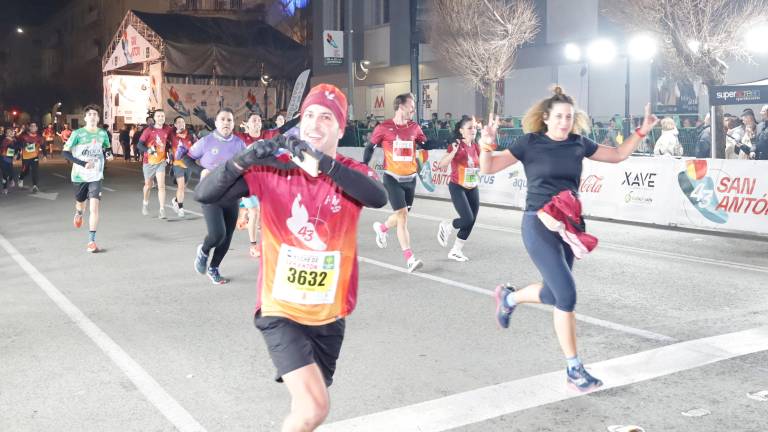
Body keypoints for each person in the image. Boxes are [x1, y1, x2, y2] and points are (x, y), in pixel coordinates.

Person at [195, 83, 387, 432]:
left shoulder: (348, 173)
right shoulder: (273, 169)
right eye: (309, 115)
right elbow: (205, 194)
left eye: (327, 117)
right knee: (315, 407)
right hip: (280, 310)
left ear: (341, 128)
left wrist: (323, 165)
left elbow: (377, 197)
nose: (315, 123)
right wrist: (244, 159)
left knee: (305, 410)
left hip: (330, 313)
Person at [479, 86, 658, 393]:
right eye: (559, 116)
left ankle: (508, 298)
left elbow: (616, 155)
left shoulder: (578, 143)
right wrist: (485, 144)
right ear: (546, 118)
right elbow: (489, 167)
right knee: (567, 295)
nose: (564, 122)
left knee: (553, 295)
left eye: (569, 117)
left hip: (569, 225)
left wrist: (642, 130)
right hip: (537, 223)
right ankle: (574, 369)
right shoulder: (529, 143)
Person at [364, 93, 428, 272]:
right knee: (403, 217)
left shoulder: (415, 127)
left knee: (403, 213)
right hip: (392, 178)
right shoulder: (384, 127)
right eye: (411, 106)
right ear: (401, 106)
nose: (414, 110)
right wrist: (363, 165)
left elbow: (425, 144)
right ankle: (409, 258)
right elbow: (370, 147)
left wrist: (440, 145)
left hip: (411, 179)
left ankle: (382, 228)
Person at [187, 108, 246, 284]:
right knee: (217, 234)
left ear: (233, 123)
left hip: (231, 195)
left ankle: (214, 267)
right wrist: (201, 170)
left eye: (229, 120)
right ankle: (203, 251)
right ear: (216, 122)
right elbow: (187, 158)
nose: (226, 123)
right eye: (222, 119)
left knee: (227, 236)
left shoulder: (239, 144)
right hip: (210, 193)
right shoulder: (206, 142)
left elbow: (247, 168)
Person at [62, 105, 114, 253]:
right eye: (89, 114)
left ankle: (91, 241)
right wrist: (83, 163)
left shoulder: (103, 134)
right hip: (79, 175)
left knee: (94, 208)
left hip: (96, 175)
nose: (92, 116)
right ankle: (78, 213)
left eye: (95, 114)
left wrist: (109, 155)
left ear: (98, 118)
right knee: (81, 203)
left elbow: (106, 148)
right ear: (85, 118)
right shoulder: (77, 134)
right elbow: (65, 153)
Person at [436, 116, 481, 261]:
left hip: (473, 186)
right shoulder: (456, 145)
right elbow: (442, 164)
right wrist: (453, 153)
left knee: (472, 220)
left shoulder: (476, 146)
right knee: (467, 218)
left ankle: (455, 251)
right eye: (469, 128)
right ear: (461, 131)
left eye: (474, 127)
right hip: (457, 187)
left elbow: (481, 164)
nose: (473, 130)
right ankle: (448, 225)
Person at [137, 110, 172, 218]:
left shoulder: (168, 129)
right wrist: (149, 150)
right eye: (158, 116)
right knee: (148, 185)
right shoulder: (148, 130)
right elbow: (139, 145)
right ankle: (145, 204)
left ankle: (162, 210)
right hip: (149, 161)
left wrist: (170, 152)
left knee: (161, 186)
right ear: (155, 118)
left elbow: (172, 140)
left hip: (161, 161)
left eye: (162, 116)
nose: (161, 117)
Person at [169, 116, 195, 218]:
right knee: (180, 186)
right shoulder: (172, 134)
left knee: (184, 187)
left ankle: (175, 200)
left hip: (188, 164)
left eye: (182, 122)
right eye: (178, 122)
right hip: (177, 164)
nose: (181, 124)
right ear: (175, 125)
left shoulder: (190, 135)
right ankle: (180, 208)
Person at [18, 122, 44, 192]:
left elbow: (42, 145)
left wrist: (45, 155)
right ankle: (21, 178)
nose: (33, 127)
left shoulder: (39, 137)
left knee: (35, 170)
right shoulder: (24, 136)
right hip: (26, 157)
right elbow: (17, 142)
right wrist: (23, 146)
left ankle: (35, 185)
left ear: (37, 128)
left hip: (34, 156)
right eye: (32, 126)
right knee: (25, 171)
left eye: (35, 126)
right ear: (29, 128)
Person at [0, 128, 20, 195]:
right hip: (3, 159)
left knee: (11, 172)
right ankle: (5, 188)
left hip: (10, 160)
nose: (11, 133)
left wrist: (17, 154)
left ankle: (11, 179)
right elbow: (4, 148)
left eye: (11, 132)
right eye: (9, 132)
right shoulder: (4, 140)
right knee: (4, 174)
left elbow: (18, 148)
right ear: (6, 134)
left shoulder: (15, 140)